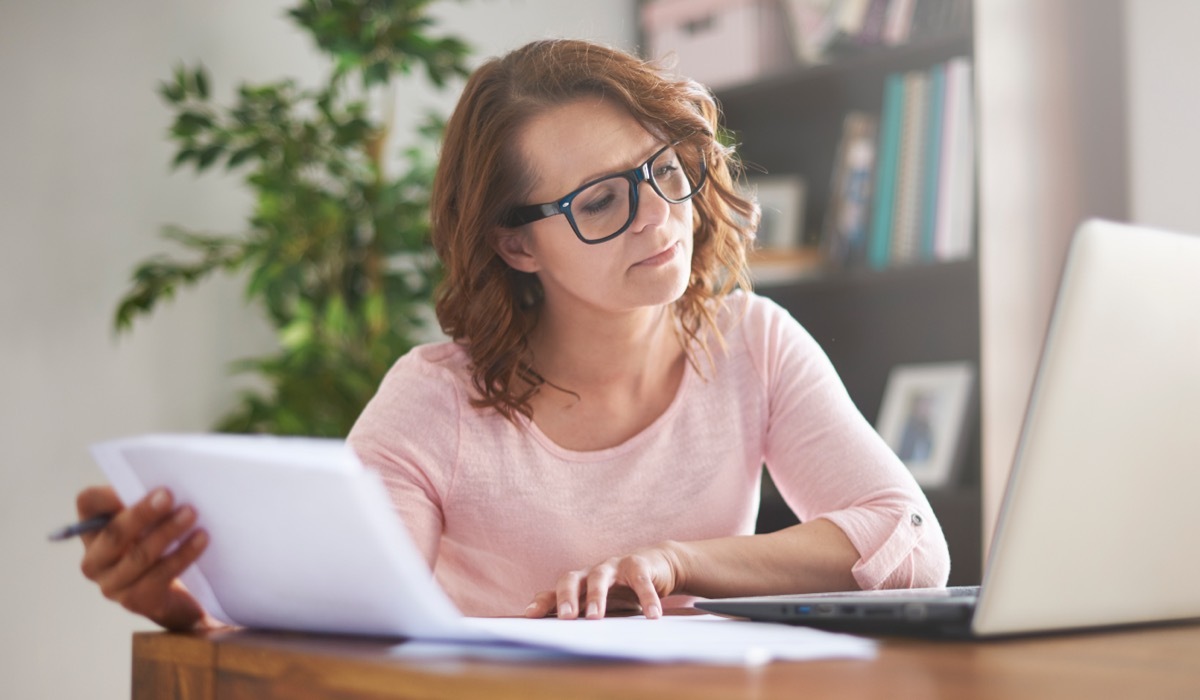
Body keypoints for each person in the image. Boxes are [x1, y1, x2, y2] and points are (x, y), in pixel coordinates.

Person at [74, 39, 950, 630]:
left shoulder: (752, 343)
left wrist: (677, 561)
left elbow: (909, 544)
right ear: (515, 242)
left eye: (663, 170)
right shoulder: (436, 400)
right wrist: (184, 609)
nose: (658, 218)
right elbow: (339, 617)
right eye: (602, 201)